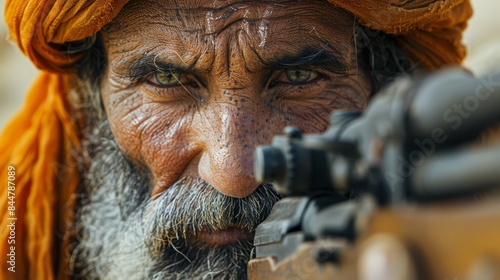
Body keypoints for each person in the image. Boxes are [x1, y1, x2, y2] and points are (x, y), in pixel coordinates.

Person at [0, 0, 472, 279]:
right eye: (166, 79)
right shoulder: (17, 235)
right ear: (91, 95)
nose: (234, 173)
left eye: (299, 76)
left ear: (386, 85)